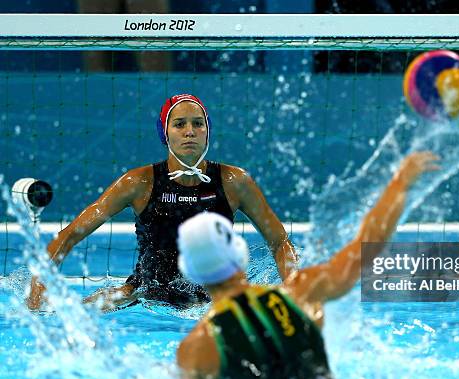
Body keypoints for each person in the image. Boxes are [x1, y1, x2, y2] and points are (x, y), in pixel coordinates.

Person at [175, 151, 439, 379]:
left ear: (191, 271)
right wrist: (400, 183)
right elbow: (366, 246)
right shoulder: (301, 291)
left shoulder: (195, 350)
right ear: (238, 253)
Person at [27, 93, 298, 310]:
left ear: (208, 130)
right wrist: (38, 289)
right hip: (143, 294)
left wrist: (295, 292)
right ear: (165, 132)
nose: (189, 131)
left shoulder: (234, 181)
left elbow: (280, 241)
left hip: (211, 299)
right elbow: (70, 234)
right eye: (179, 124)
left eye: (197, 123)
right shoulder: (139, 182)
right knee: (68, 313)